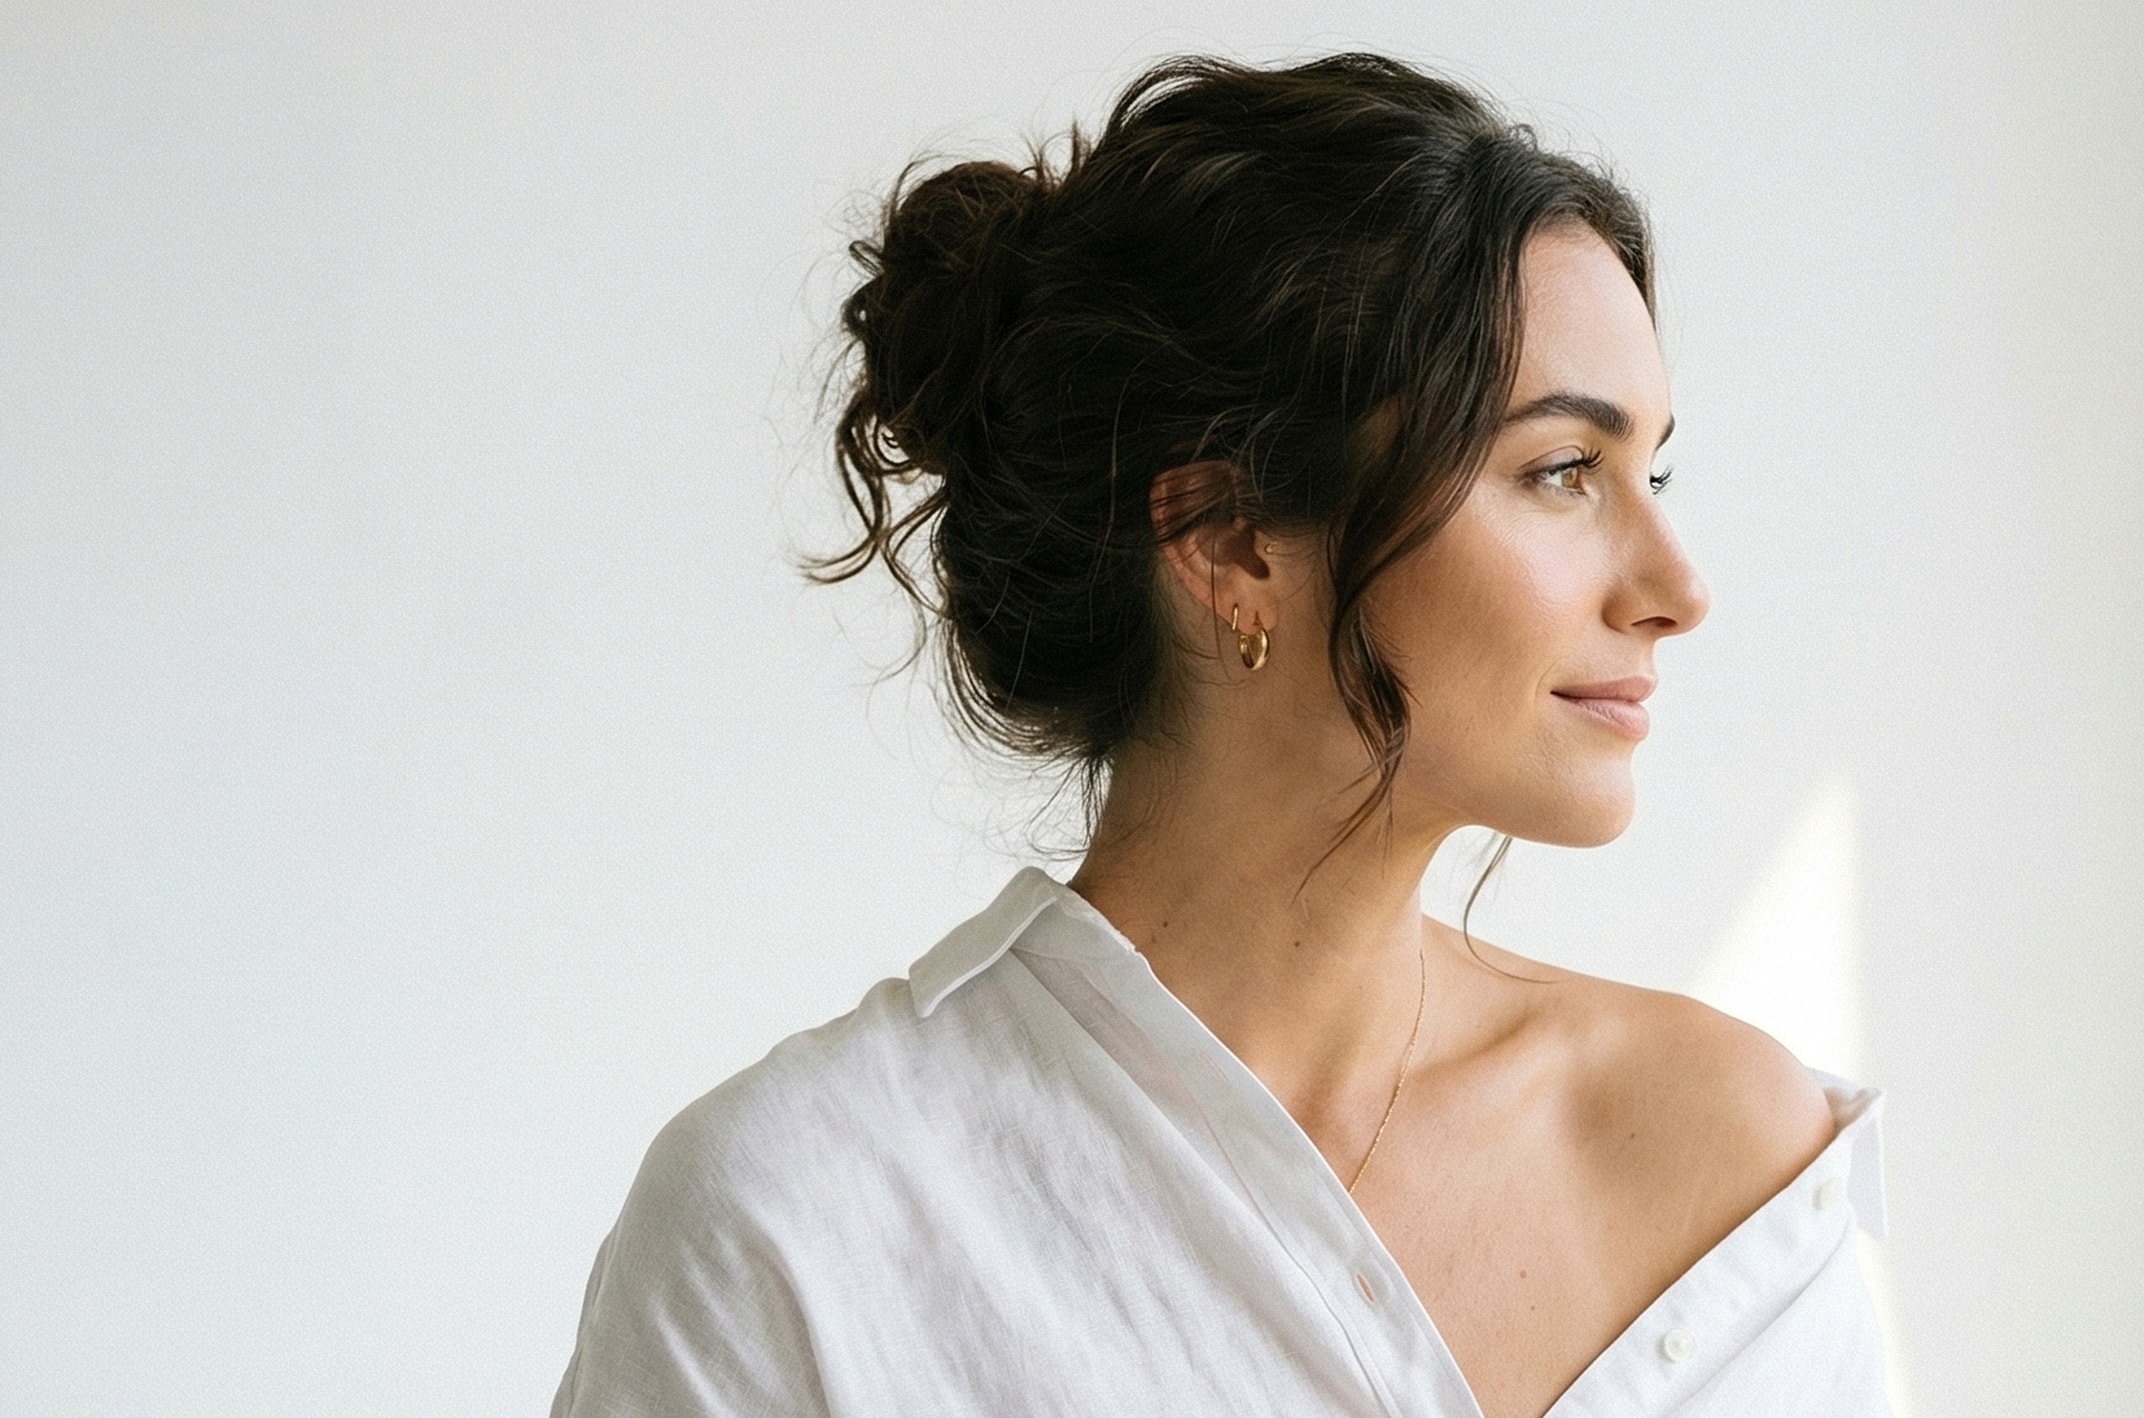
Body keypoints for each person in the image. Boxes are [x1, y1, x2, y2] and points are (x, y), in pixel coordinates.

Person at [552, 51, 1891, 1418]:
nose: (1676, 589)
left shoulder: (1727, 1159)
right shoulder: (803, 1234)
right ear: (1230, 537)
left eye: (1650, 471)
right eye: (1561, 472)